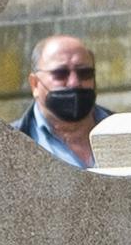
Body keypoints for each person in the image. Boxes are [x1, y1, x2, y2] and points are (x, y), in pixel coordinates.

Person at [16, 32, 105, 168]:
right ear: (34, 83)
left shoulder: (127, 132)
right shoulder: (10, 143)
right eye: (60, 74)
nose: (74, 83)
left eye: (85, 73)